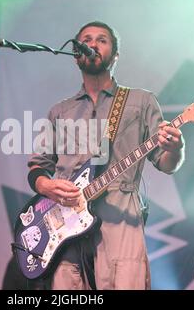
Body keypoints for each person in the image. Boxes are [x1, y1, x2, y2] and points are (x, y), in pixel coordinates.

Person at [26, 21, 185, 290]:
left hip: (120, 215)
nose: (93, 44)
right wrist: (48, 186)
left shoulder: (141, 101)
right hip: (63, 220)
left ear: (115, 55)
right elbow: (37, 169)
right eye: (86, 39)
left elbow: (166, 163)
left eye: (102, 40)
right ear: (76, 54)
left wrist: (175, 148)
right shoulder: (60, 111)